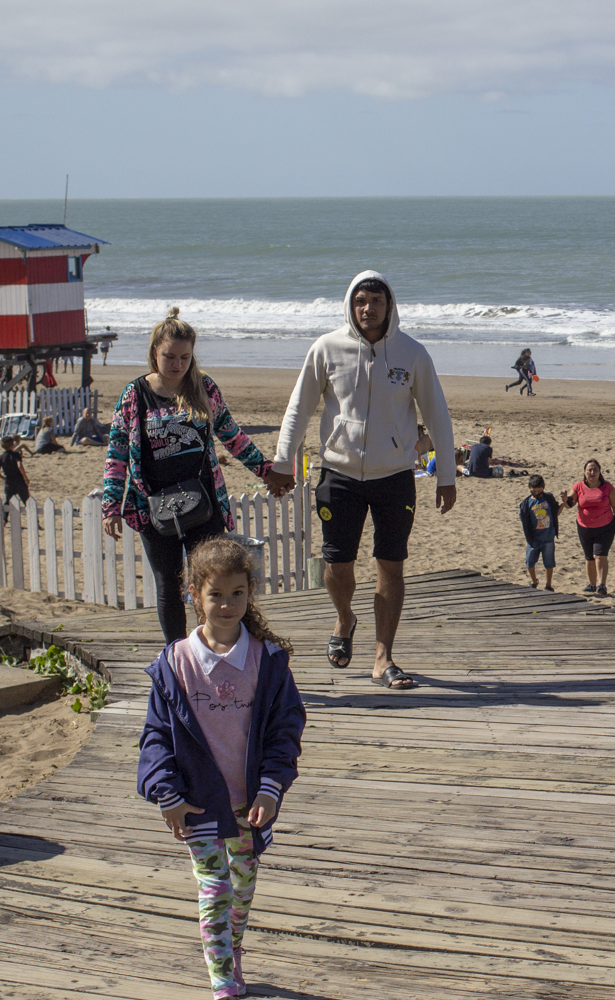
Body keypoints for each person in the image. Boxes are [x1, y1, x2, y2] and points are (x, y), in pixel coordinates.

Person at [267, 271, 456, 688]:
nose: (367, 308)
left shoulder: (413, 354)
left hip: (395, 476)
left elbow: (437, 415)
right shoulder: (327, 348)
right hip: (339, 472)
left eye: (376, 300)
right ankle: (345, 617)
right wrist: (283, 460)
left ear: (390, 306)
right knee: (337, 567)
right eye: (360, 301)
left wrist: (446, 475)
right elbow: (298, 408)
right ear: (350, 306)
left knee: (391, 566)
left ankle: (383, 656)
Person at [136, 537, 306, 1000]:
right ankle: (222, 980)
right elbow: (156, 736)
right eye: (215, 594)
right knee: (215, 888)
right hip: (198, 804)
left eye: (237, 593)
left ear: (250, 592)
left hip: (249, 803)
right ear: (194, 595)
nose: (227, 604)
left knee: (242, 890)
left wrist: (271, 789)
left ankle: (231, 951)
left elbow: (285, 729)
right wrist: (166, 796)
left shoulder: (267, 662)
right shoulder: (175, 664)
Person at [102, 308, 281, 646]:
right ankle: (176, 656)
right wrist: (111, 506)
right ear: (155, 352)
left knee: (214, 581)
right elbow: (117, 454)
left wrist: (266, 471)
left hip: (204, 502)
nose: (177, 364)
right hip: (153, 507)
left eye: (185, 357)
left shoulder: (204, 387)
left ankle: (213, 648)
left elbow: (232, 436)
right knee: (168, 585)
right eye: (169, 356)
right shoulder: (133, 395)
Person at [559, 458, 615, 596]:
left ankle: (602, 584)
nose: (592, 472)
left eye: (595, 470)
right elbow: (570, 504)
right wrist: (565, 500)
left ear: (599, 472)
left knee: (600, 555)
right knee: (589, 557)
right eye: (589, 470)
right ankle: (592, 584)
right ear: (584, 472)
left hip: (605, 526)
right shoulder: (578, 486)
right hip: (584, 526)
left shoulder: (607, 487)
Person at [518, 474, 559, 591]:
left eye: (539, 490)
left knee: (549, 563)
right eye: (534, 490)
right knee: (529, 561)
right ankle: (534, 581)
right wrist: (529, 538)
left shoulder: (548, 498)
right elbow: (524, 521)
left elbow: (556, 512)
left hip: (548, 537)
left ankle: (548, 585)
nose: (536, 492)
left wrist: (565, 503)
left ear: (544, 487)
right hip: (534, 538)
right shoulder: (526, 503)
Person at [0, 434, 29, 510]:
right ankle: (36, 521)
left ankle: (4, 520)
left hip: (9, 482)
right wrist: (25, 478)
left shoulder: (0, 457)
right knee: (27, 501)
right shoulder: (16, 455)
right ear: (12, 445)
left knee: (7, 503)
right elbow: (19, 466)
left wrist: (5, 478)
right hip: (19, 481)